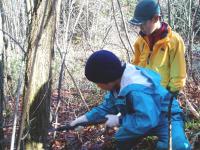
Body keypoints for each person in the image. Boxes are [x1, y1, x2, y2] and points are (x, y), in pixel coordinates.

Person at [70, 50, 190, 150]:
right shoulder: (117, 83)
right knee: (121, 138)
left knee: (177, 146)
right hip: (141, 117)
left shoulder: (136, 89)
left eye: (98, 83)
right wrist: (84, 119)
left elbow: (147, 119)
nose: (98, 86)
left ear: (108, 79)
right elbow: (107, 107)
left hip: (166, 117)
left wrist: (119, 120)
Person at [129, 0, 186, 94]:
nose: (140, 28)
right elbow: (136, 65)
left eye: (142, 24)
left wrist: (170, 95)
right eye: (139, 25)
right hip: (142, 92)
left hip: (162, 94)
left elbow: (178, 74)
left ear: (155, 18)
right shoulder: (140, 41)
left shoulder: (174, 41)